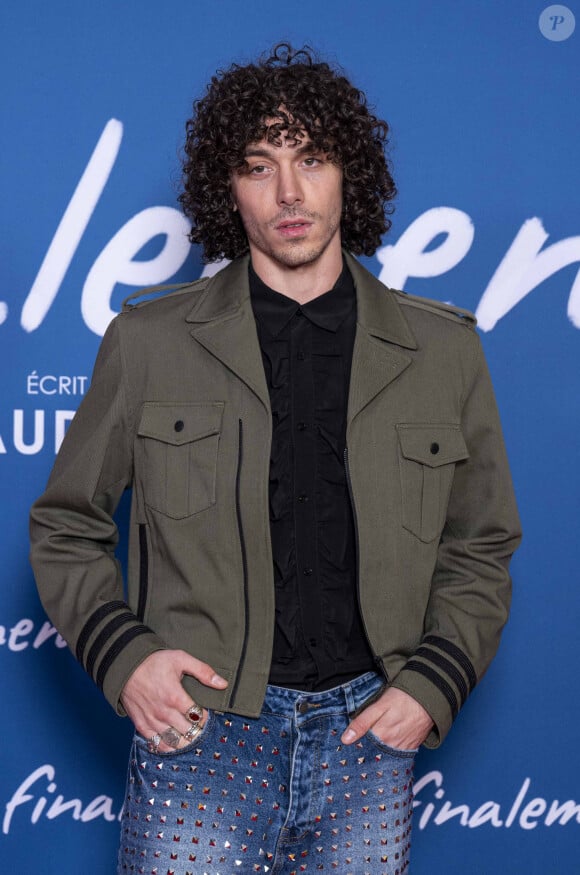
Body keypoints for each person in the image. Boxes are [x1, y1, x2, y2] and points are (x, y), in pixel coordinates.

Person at [30, 44, 521, 875]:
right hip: (204, 740)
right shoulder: (148, 342)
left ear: (348, 176)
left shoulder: (444, 350)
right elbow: (64, 526)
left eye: (312, 159)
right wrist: (129, 659)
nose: (289, 194)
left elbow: (482, 545)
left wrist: (431, 685)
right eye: (259, 167)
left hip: (370, 737)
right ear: (228, 189)